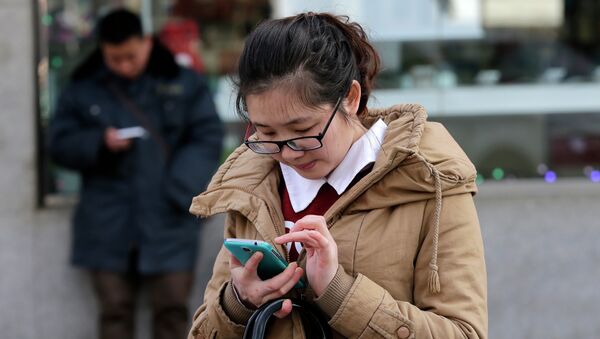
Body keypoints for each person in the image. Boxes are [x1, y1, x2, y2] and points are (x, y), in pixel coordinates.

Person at [188, 12, 487, 339]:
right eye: (267, 133)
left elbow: (464, 332)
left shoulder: (428, 179)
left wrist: (338, 290)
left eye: (303, 131)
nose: (288, 153)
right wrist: (238, 302)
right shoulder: (252, 186)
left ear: (350, 98)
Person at [48, 8, 223, 339]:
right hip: (106, 221)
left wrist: (181, 189)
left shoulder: (183, 81)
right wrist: (98, 142)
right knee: (114, 313)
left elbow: (206, 137)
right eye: (114, 59)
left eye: (130, 56)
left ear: (146, 42)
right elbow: (58, 143)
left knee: (172, 311)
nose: (124, 65)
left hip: (169, 217)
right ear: (101, 50)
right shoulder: (84, 86)